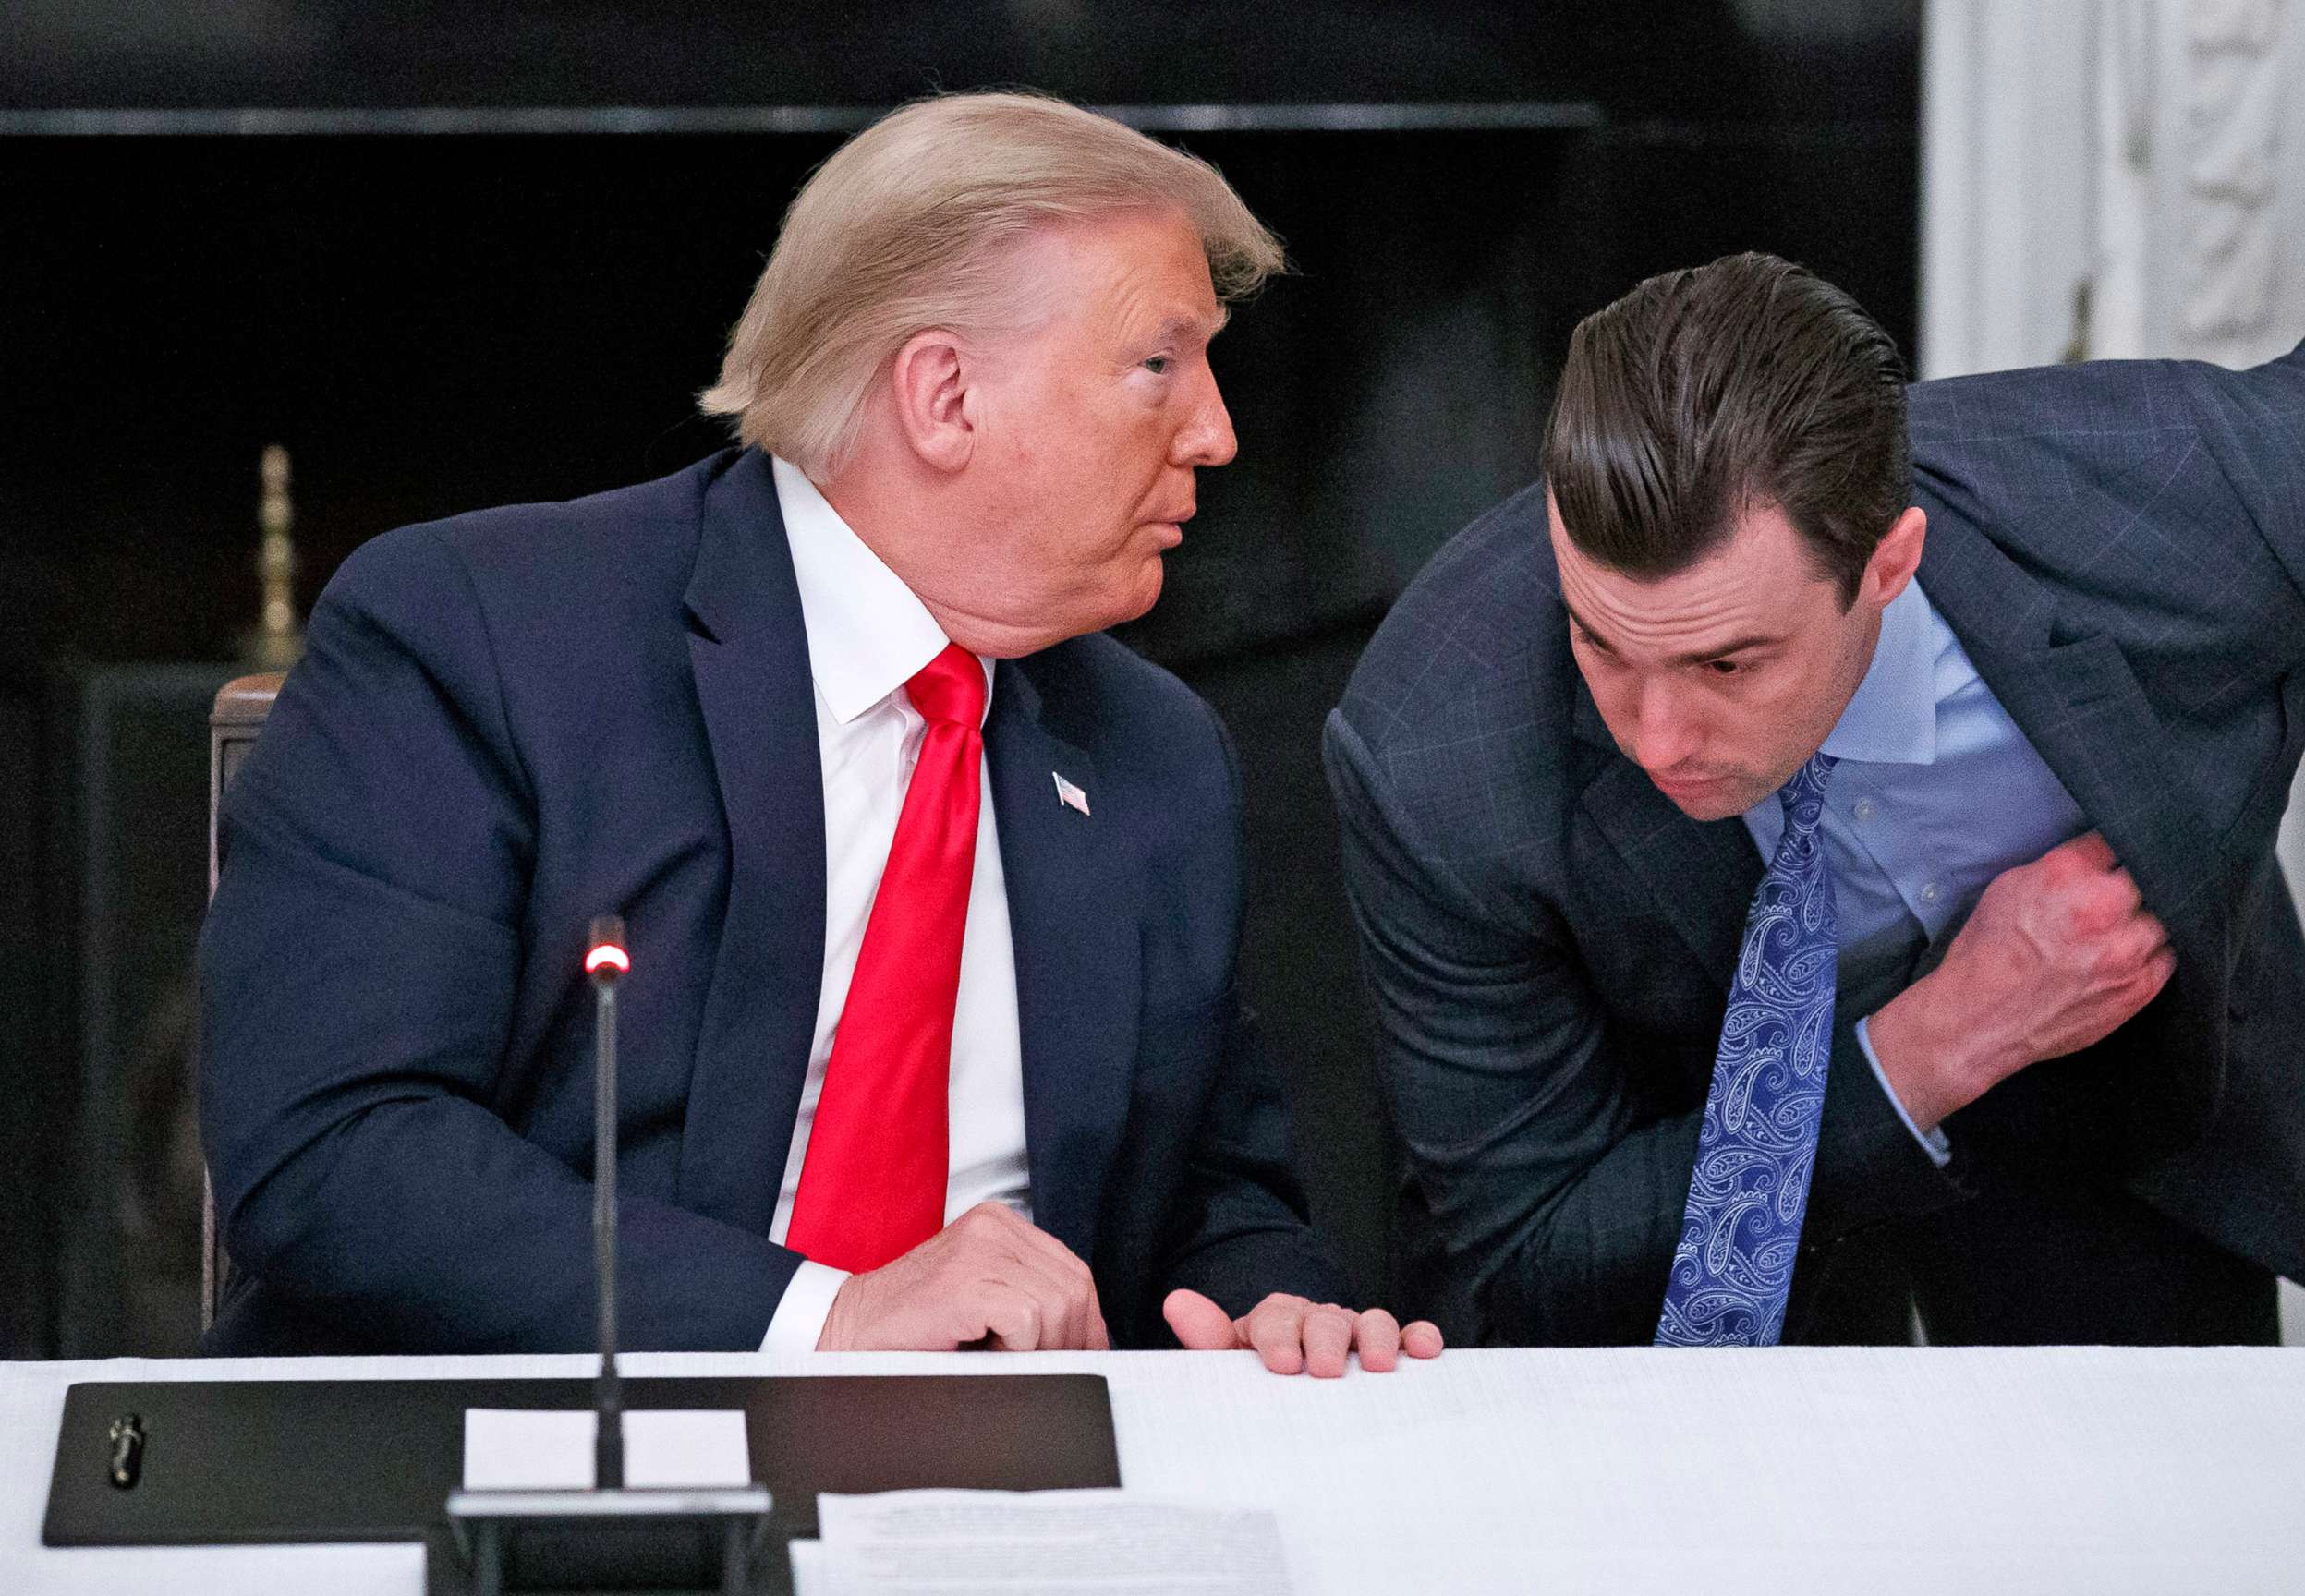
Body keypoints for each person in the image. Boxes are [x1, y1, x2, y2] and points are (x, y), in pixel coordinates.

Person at [200, 91, 1439, 1376]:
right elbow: (334, 1144)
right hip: (541, 1465)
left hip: (1002, 1504)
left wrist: (1268, 1299)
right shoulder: (483, 636)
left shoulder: (1154, 752)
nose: (1218, 431)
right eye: (1159, 365)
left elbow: (1205, 1191)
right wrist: (820, 1320)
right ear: (945, 397)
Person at [1328, 251, 2305, 1347]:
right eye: (1601, 643)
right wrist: (1930, 1047)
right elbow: (1537, 1251)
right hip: (1681, 1197)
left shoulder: (2176, 493)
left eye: (1728, 665)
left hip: (2109, 1120)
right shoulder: (1435, 751)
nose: (1656, 738)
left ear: (1890, 563)